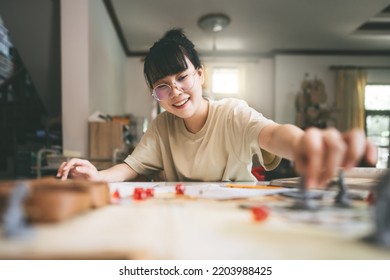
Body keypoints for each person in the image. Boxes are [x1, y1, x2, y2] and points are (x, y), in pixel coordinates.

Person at [57, 28, 377, 188]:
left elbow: (274, 134)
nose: (176, 92)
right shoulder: (161, 127)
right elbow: (129, 167)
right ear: (155, 93)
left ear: (200, 74)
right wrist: (97, 175)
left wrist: (304, 143)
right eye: (162, 87)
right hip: (183, 219)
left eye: (183, 77)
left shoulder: (232, 113)